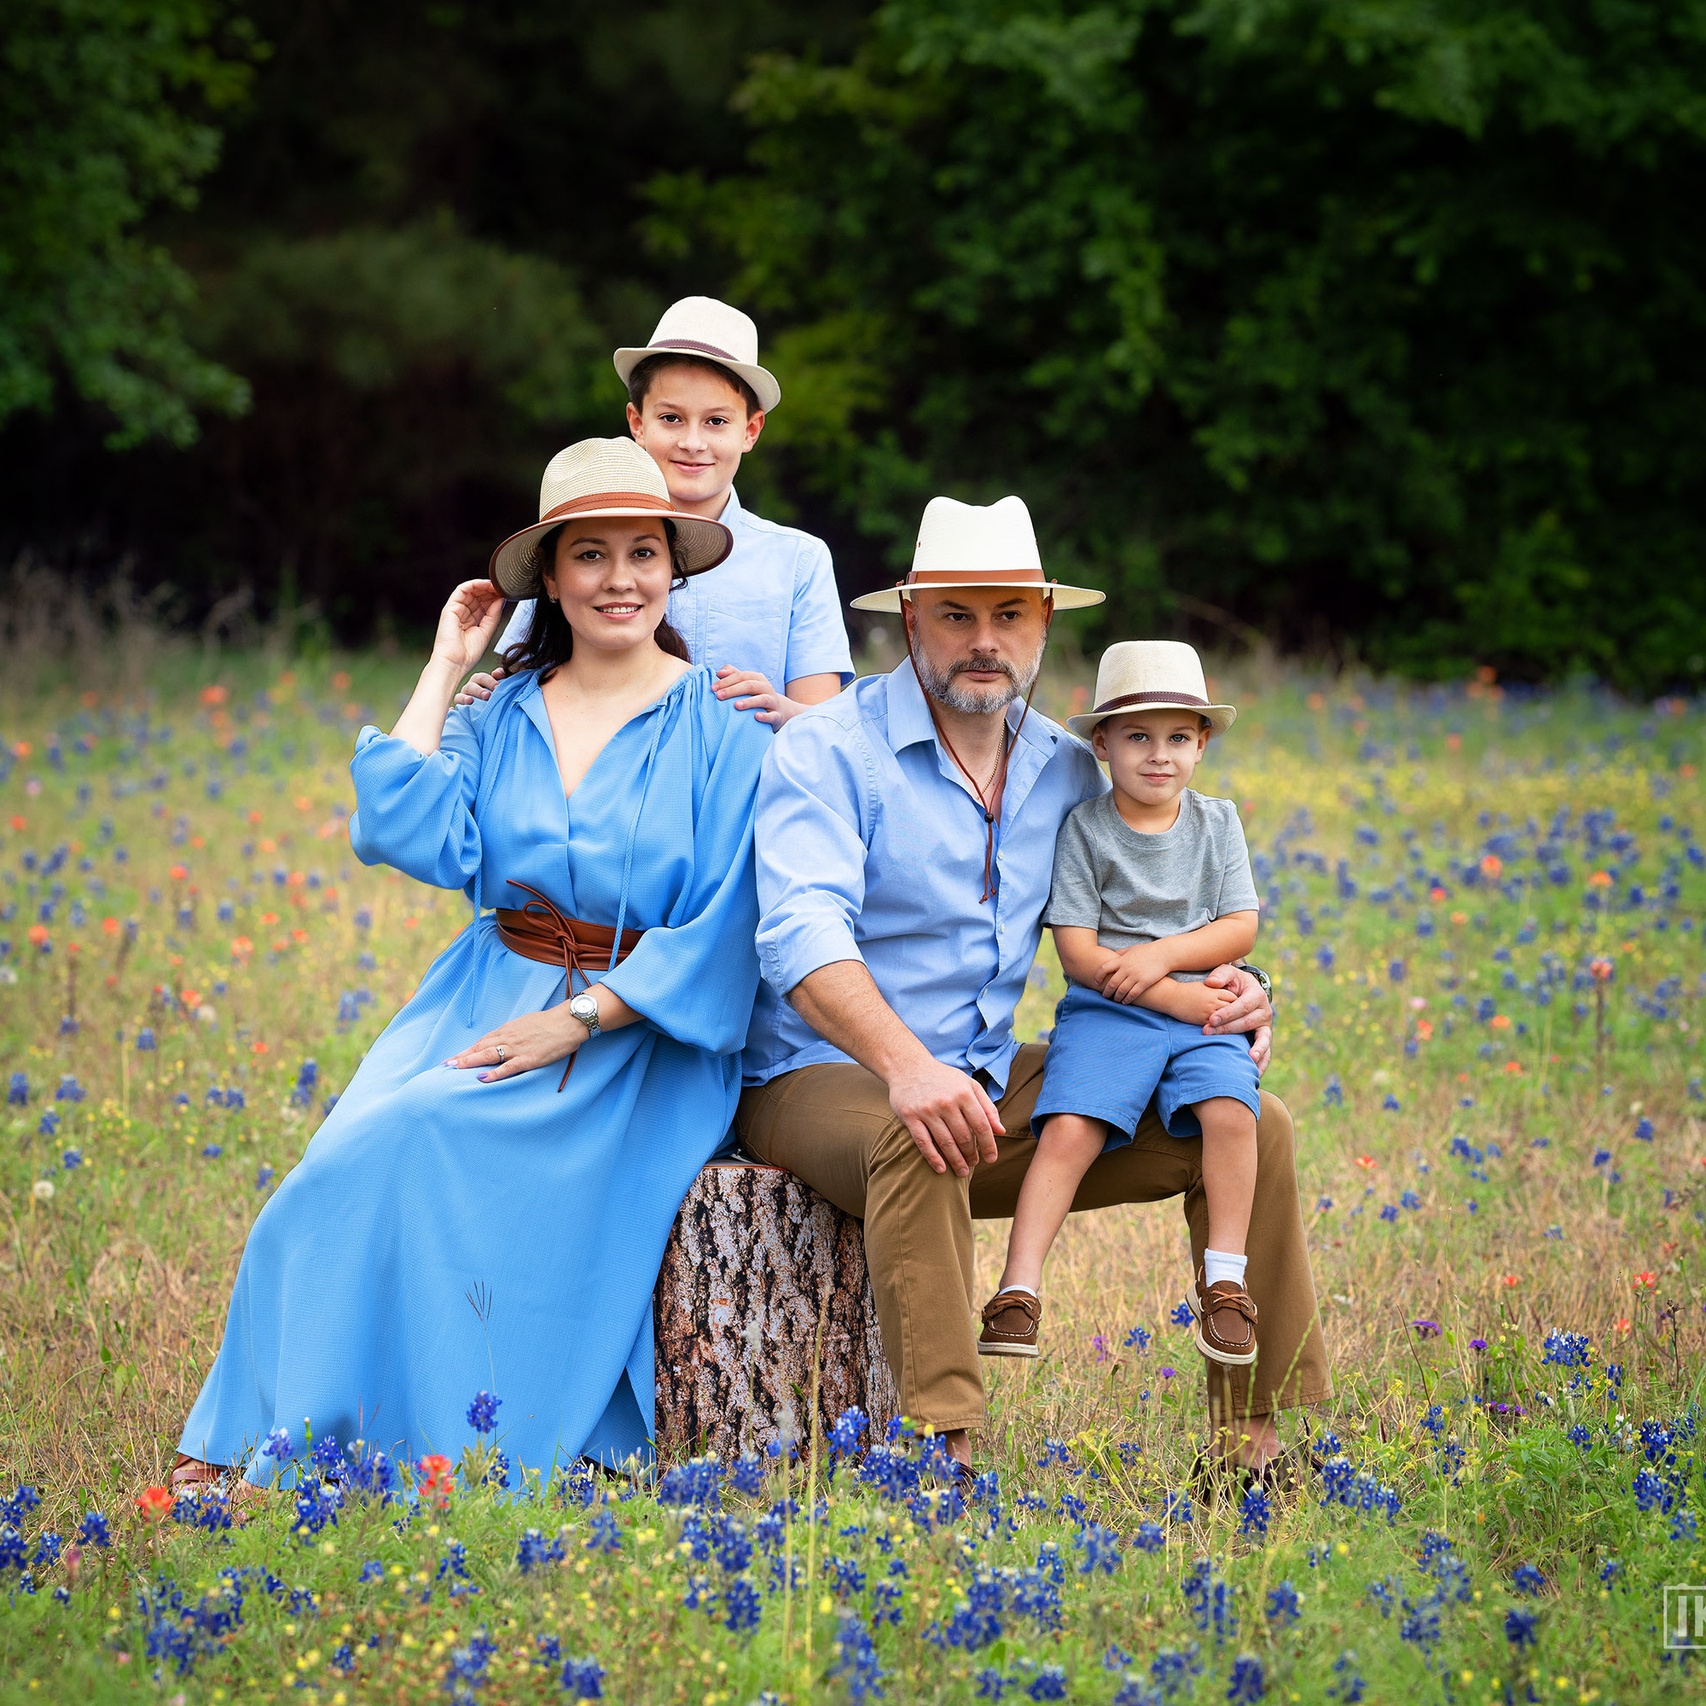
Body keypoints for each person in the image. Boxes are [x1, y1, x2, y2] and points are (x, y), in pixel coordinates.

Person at [171, 438, 770, 1494]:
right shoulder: (500, 709)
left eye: (644, 552)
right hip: (484, 987)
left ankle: (404, 1447)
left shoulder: (725, 725)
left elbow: (728, 921)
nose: (620, 579)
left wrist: (578, 1019)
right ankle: (275, 1434)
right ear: (550, 577)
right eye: (590, 555)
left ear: (674, 569)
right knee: (329, 1173)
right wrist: (447, 662)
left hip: (637, 1033)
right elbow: (408, 831)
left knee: (418, 1133)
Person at [738, 494, 1330, 1482]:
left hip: (979, 1077)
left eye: (1007, 614)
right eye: (956, 615)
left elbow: (1161, 895)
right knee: (917, 1124)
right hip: (817, 1079)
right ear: (909, 616)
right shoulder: (828, 748)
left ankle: (1247, 1441)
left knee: (1249, 1119)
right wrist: (906, 1068)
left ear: (1043, 623)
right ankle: (943, 1453)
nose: (983, 641)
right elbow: (798, 935)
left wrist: (1239, 987)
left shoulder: (1065, 765)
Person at [978, 641, 1263, 1369]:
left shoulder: (1218, 821)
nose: (1158, 754)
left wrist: (1163, 958)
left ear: (1201, 744)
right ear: (1101, 744)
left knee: (1232, 1114)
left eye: (1177, 737)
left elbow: (1240, 926)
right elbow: (1077, 952)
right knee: (1069, 1127)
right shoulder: (1086, 829)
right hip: (1113, 1011)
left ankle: (1226, 1286)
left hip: (1197, 1005)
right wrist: (1180, 996)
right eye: (1137, 735)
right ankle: (1019, 1289)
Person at [468, 296, 853, 728]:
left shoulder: (798, 560)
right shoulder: (576, 538)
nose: (692, 442)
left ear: (751, 430)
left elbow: (827, 727)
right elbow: (528, 674)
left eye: (716, 422)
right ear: (637, 423)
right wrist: (493, 696)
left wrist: (785, 714)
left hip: (752, 787)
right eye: (671, 418)